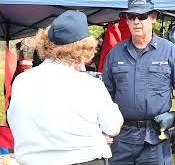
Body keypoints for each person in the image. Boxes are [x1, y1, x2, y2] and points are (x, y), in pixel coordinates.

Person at [7, 10, 123, 165]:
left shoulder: (21, 81)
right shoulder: (90, 85)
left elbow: (16, 122)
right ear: (83, 49)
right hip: (82, 159)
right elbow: (113, 126)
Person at [102, 0, 175, 165]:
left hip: (155, 138)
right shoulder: (116, 53)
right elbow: (104, 95)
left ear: (153, 18)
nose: (136, 21)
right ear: (127, 21)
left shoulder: (169, 51)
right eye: (131, 17)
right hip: (122, 138)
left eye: (142, 16)